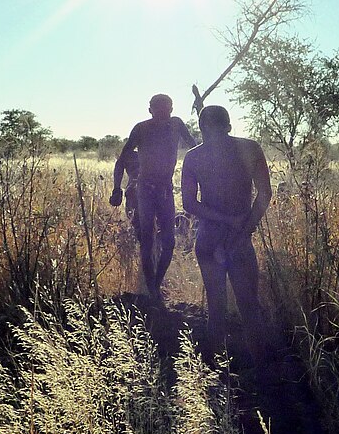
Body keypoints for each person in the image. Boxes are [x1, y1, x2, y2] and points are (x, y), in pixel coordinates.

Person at [181, 105, 272, 348]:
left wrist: (224, 221)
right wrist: (243, 228)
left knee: (216, 305)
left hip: (209, 236)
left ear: (201, 128)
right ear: (228, 125)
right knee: (249, 305)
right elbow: (264, 195)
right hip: (238, 237)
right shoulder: (249, 148)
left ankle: (214, 372)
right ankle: (260, 370)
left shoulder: (194, 156)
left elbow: (189, 203)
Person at [110, 94, 196, 299]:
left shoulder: (176, 125)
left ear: (172, 110)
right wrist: (116, 189)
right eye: (159, 111)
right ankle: (152, 289)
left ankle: (155, 284)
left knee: (169, 242)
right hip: (145, 189)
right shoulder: (141, 128)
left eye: (167, 110)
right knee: (147, 240)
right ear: (150, 110)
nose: (163, 115)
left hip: (166, 188)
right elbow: (121, 161)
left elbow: (196, 149)